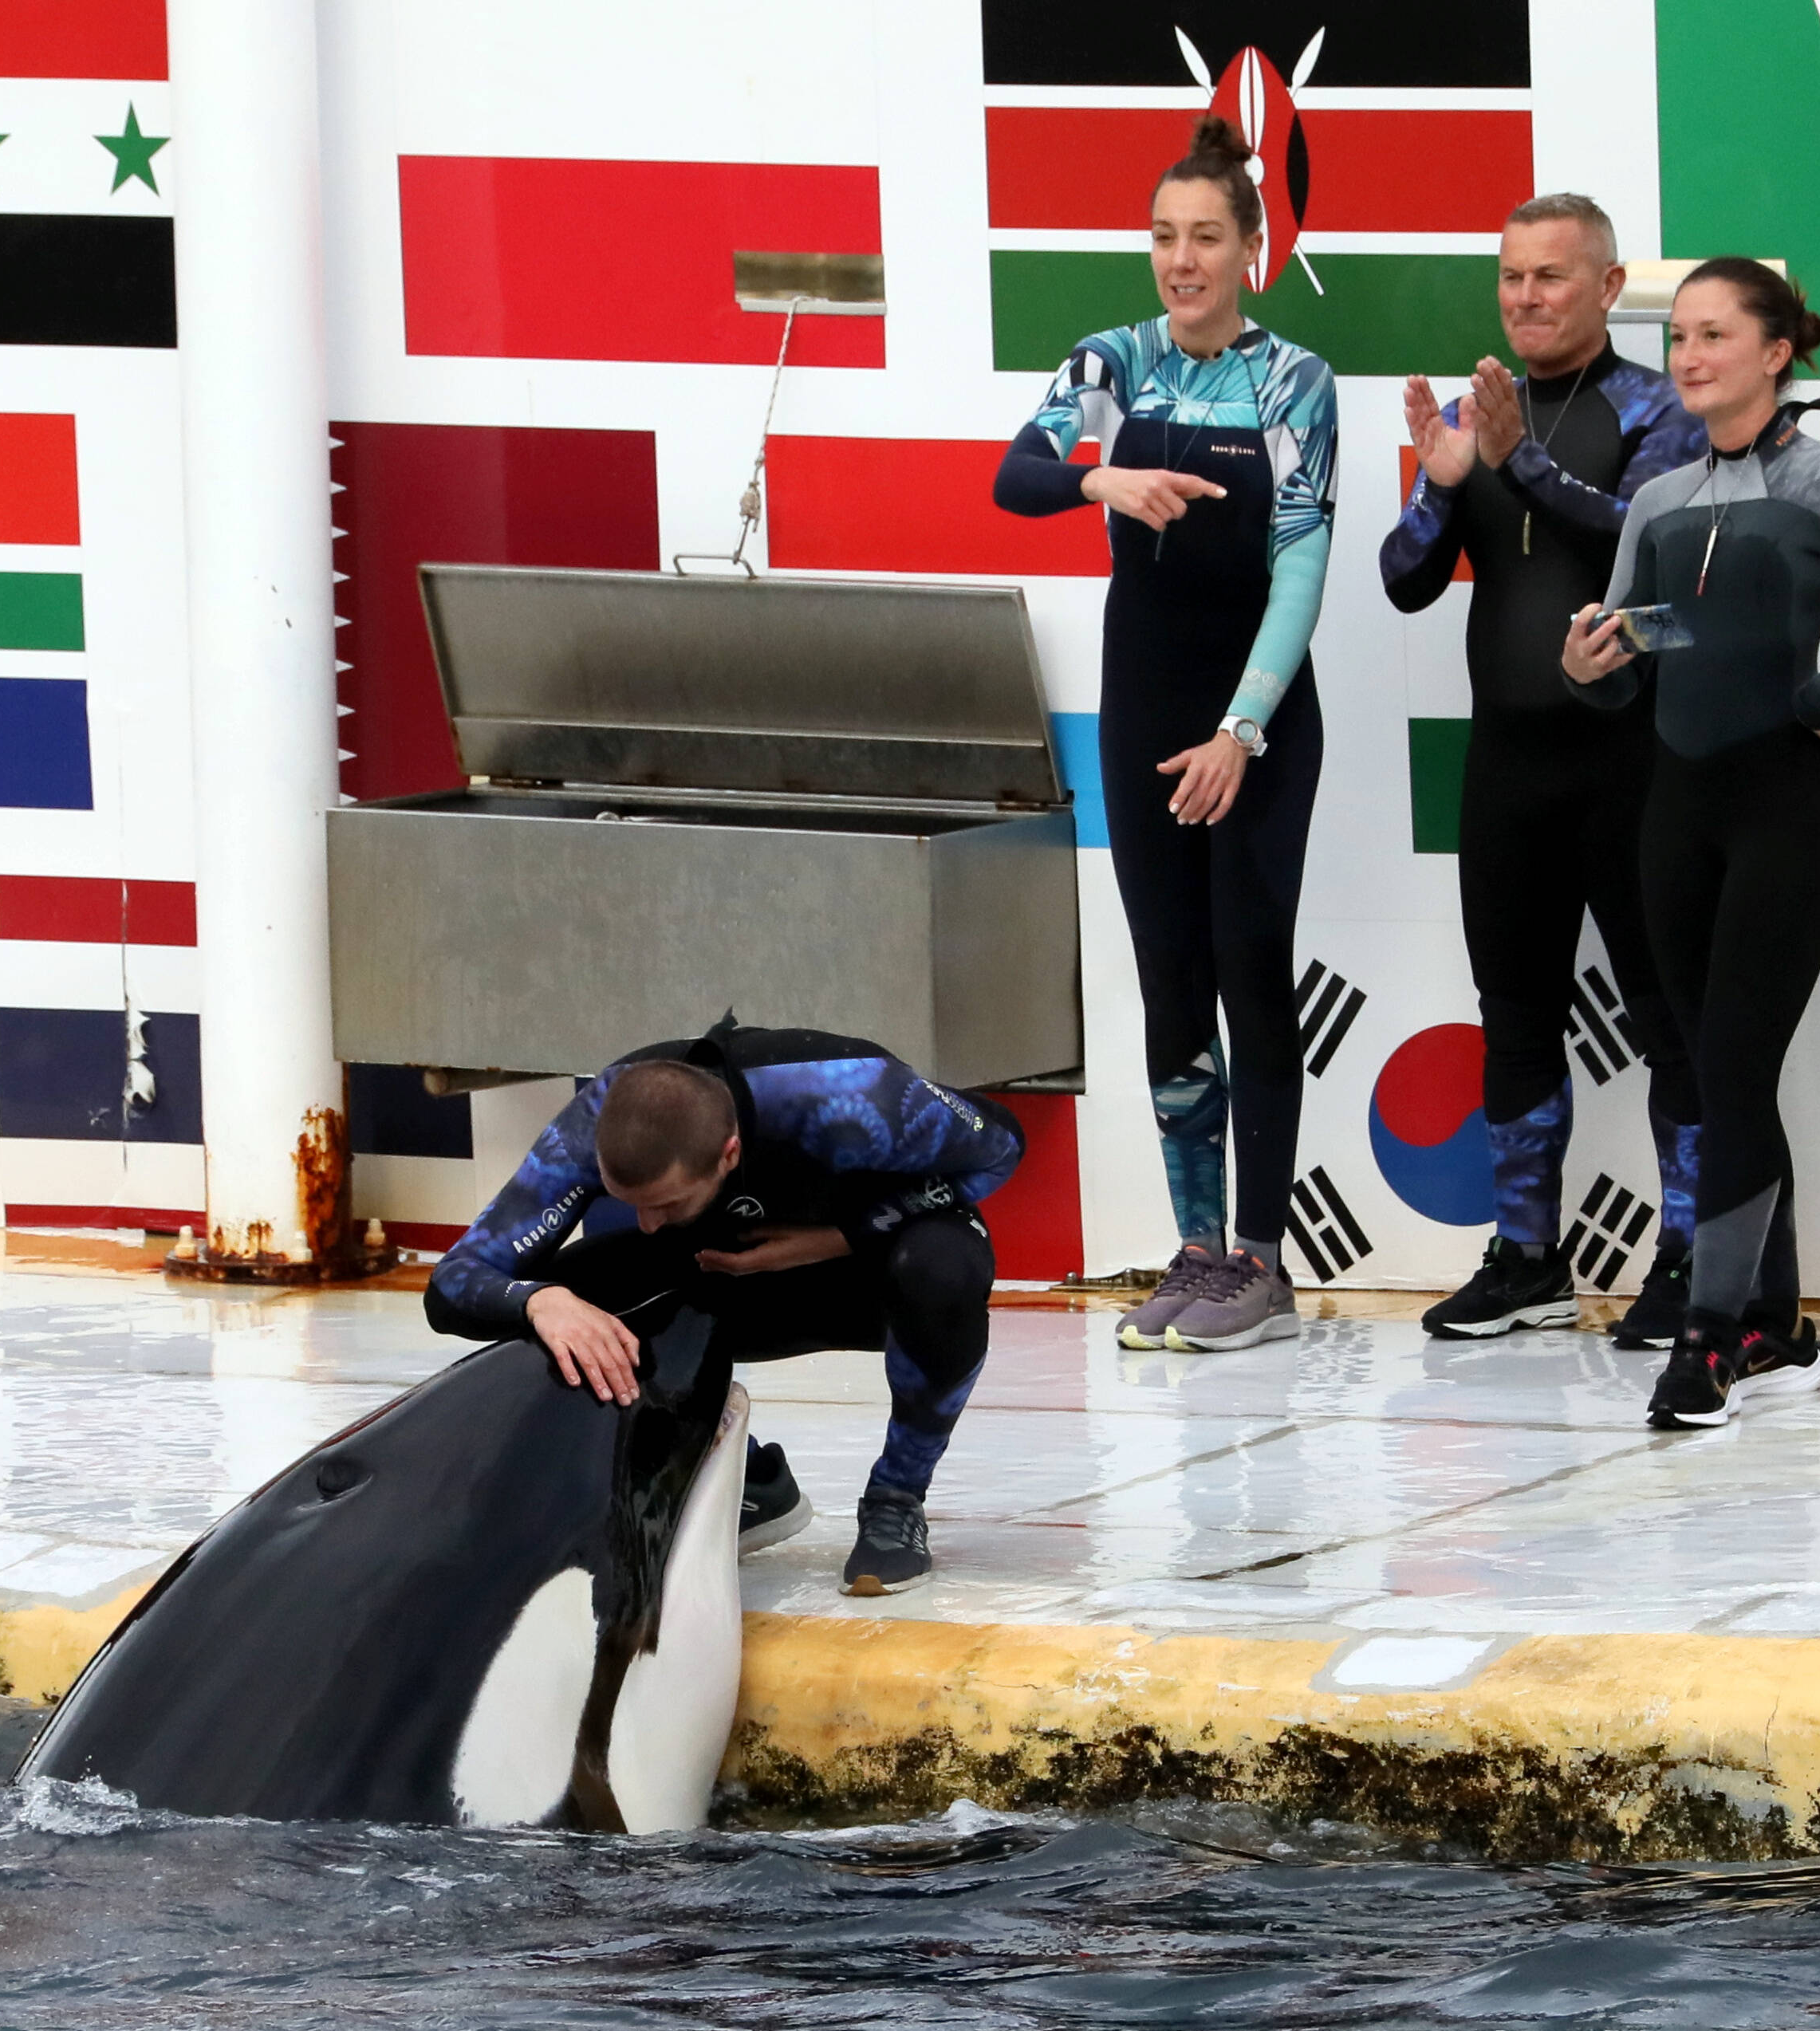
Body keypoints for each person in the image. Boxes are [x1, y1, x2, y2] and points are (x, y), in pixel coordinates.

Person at [1561, 258, 1820, 1428]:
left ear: (1775, 351)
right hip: (1672, 810)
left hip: (1786, 811)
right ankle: (1773, 1325)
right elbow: (1657, 649)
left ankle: (1706, 1339)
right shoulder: (1659, 498)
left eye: (1714, 336)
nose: (1687, 356)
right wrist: (1589, 669)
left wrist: (1807, 698)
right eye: (1678, 337)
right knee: (1703, 1074)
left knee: (1730, 1067)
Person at [991, 115, 1337, 1354]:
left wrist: (1239, 730)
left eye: (1205, 238)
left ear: (1252, 248)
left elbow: (1299, 571)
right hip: (1141, 715)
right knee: (1166, 978)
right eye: (1162, 238)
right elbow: (1014, 478)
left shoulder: (1294, 380)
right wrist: (1105, 481)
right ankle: (1192, 1250)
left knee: (1251, 968)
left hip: (1251, 722)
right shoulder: (1112, 361)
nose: (1180, 260)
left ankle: (1260, 1260)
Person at [1380, 193, 1708, 1346]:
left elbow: (1640, 544)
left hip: (1628, 764)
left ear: (1608, 287)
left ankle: (1688, 1260)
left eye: (1551, 278)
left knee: (1668, 1021)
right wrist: (1435, 481)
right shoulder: (1476, 416)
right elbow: (1405, 581)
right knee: (1513, 1019)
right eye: (1510, 277)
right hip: (1507, 771)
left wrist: (1516, 463)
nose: (1524, 297)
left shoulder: (1654, 408)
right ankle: (1528, 1258)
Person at [425, 1021, 1024, 1598]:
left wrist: (843, 1235)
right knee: (562, 1312)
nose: (646, 1223)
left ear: (728, 1153)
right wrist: (541, 1300)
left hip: (868, 1272)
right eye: (628, 1200)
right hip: (728, 1271)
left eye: (665, 1202)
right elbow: (453, 1284)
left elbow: (1002, 1147)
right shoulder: (592, 1124)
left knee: (940, 1270)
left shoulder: (852, 1098)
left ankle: (895, 1499)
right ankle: (745, 1483)